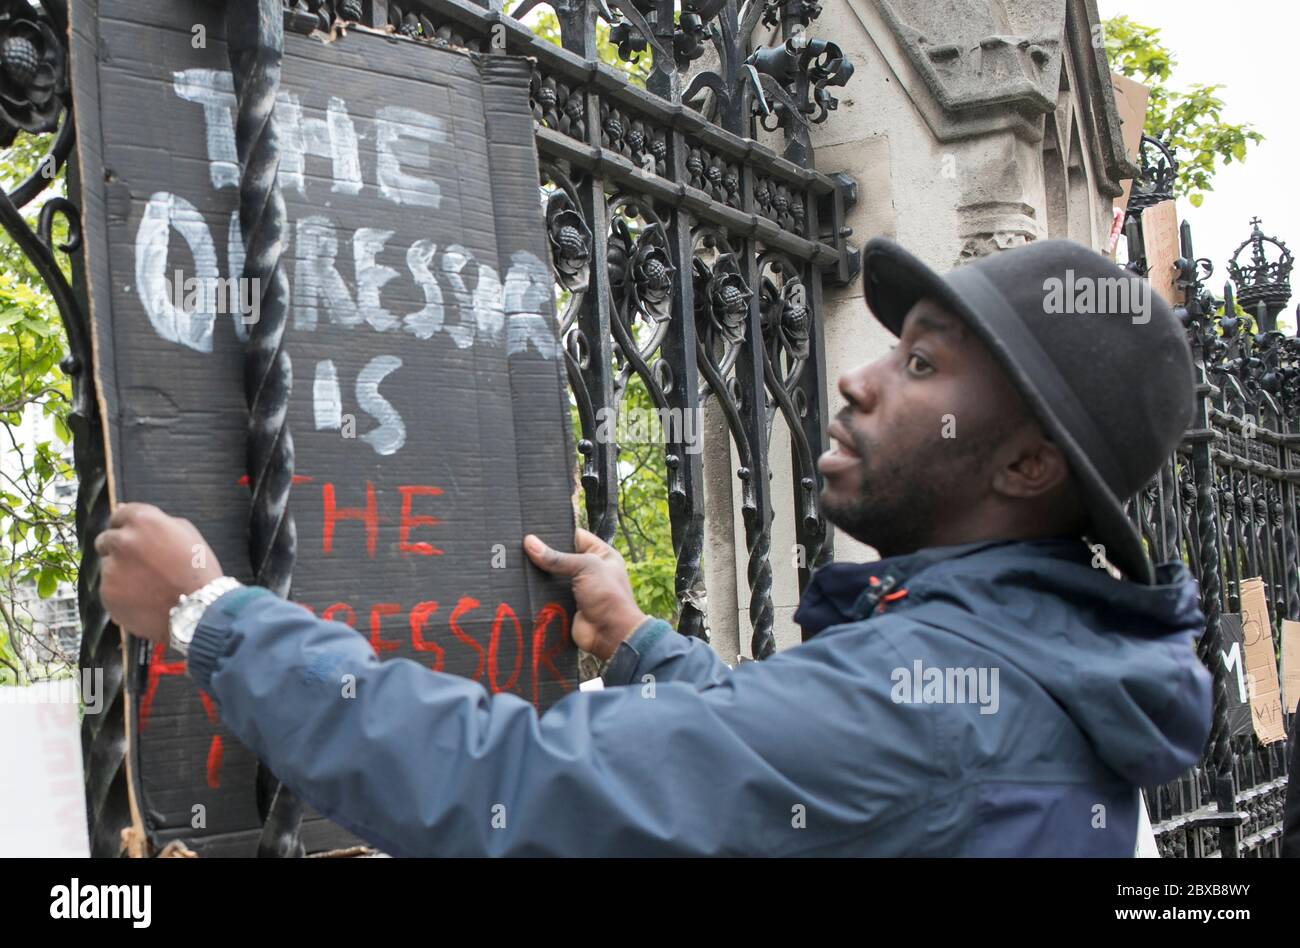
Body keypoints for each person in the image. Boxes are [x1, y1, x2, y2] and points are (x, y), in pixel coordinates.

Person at [97, 237, 1212, 856]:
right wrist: (639, 642)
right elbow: (798, 769)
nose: (857, 378)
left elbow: (523, 789)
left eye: (923, 366)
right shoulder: (1047, 662)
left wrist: (213, 617)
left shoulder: (932, 710)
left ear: (1025, 467)